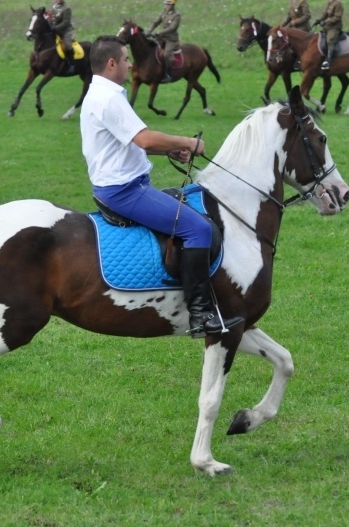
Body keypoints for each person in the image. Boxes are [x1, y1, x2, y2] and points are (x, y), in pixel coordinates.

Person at [80, 35, 244, 339]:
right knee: (200, 230)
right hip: (124, 191)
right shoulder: (109, 98)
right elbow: (143, 138)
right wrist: (187, 142)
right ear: (112, 63)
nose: (131, 65)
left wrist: (166, 150)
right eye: (127, 60)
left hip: (120, 184)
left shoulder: (99, 93)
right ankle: (200, 315)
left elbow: (128, 142)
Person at [147, 0, 181, 83]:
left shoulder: (176, 15)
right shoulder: (164, 12)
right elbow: (155, 22)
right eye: (166, 4)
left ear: (173, 5)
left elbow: (172, 28)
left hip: (171, 39)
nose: (166, 6)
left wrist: (159, 33)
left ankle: (168, 74)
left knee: (166, 54)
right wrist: (148, 31)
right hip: (161, 37)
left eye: (168, 4)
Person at [313, 0, 343, 71]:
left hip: (335, 27)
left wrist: (325, 22)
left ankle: (328, 61)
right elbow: (325, 14)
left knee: (330, 40)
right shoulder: (329, 3)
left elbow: (337, 17)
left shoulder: (338, 3)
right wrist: (319, 20)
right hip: (327, 27)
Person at [48, 0, 76, 74]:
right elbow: (50, 17)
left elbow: (65, 22)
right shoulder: (52, 6)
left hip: (66, 31)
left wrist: (55, 28)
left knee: (67, 45)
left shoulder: (67, 8)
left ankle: (71, 65)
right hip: (54, 30)